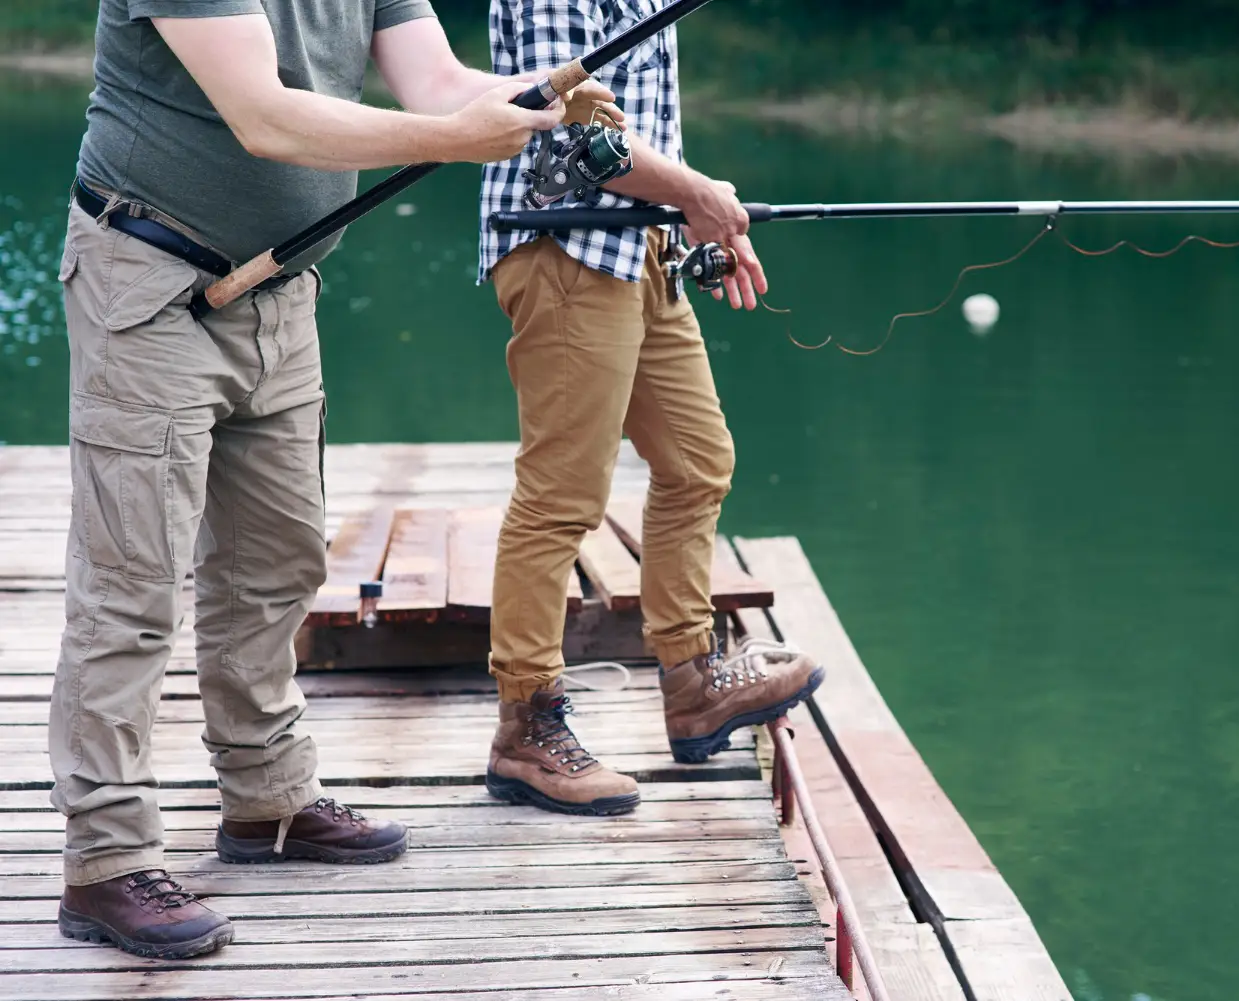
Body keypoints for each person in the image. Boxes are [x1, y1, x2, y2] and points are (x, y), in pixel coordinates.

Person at [51, 0, 612, 961]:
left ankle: (266, 799)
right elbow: (264, 115)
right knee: (132, 588)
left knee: (277, 564)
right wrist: (452, 136)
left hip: (280, 295)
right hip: (146, 279)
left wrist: (522, 106)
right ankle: (105, 862)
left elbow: (437, 85)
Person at [478, 0, 826, 818]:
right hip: (564, 248)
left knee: (698, 462)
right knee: (562, 496)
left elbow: (639, 138)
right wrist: (698, 191)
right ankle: (525, 724)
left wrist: (700, 213)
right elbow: (569, 136)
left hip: (642, 250)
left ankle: (694, 681)